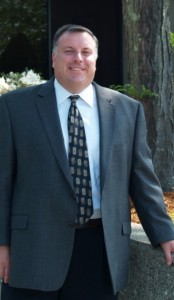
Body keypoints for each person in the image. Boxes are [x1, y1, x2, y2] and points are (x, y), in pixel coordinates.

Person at [0, 24, 174, 300]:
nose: (77, 58)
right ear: (54, 58)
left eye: (85, 52)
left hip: (100, 250)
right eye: (69, 51)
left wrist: (165, 234)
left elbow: (142, 180)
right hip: (32, 250)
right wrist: (3, 245)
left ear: (95, 59)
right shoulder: (13, 107)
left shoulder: (127, 110)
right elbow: (3, 181)